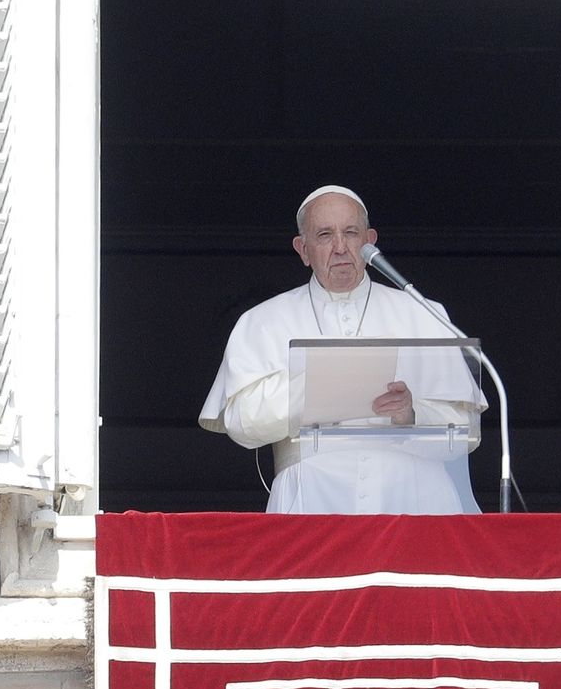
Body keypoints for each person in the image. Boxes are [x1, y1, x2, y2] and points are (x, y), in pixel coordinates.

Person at [199, 185, 485, 514]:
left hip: (414, 501)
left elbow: (466, 434)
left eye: (350, 233)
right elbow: (242, 426)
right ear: (303, 249)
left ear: (370, 241)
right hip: (311, 502)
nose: (339, 247)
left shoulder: (423, 313)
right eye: (324, 235)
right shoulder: (263, 321)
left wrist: (411, 414)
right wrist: (316, 388)